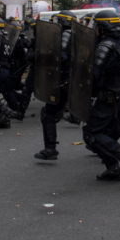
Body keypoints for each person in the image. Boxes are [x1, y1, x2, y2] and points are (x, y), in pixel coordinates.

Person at [82, 10, 120, 180]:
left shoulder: (105, 46)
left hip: (108, 97)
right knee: (105, 133)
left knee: (91, 134)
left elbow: (94, 75)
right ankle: (113, 167)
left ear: (104, 27)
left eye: (97, 25)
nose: (95, 28)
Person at [35, 12, 75, 161]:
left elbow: (61, 56)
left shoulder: (65, 35)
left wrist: (45, 55)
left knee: (48, 113)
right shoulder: (78, 35)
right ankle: (101, 143)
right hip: (77, 81)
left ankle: (50, 148)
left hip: (63, 80)